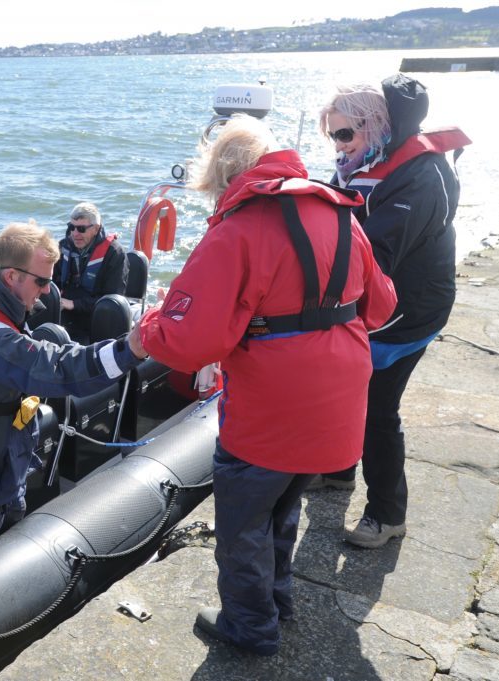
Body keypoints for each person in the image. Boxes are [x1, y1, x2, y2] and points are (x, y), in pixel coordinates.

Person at [133, 114, 397, 655]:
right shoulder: (341, 213)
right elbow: (383, 304)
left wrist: (150, 328)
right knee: (285, 504)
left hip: (273, 408)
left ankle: (250, 627)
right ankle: (277, 601)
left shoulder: (239, 229)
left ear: (228, 177)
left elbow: (189, 342)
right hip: (339, 400)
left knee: (242, 525)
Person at [0, 221, 147, 579]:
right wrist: (129, 351)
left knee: (5, 519)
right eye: (42, 282)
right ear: (12, 277)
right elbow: (58, 368)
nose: (48, 292)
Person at [308, 74, 471, 550]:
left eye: (344, 134)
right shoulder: (369, 163)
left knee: (377, 408)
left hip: (409, 313)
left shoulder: (420, 176)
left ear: (376, 127)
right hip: (381, 305)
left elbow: (376, 253)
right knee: (346, 394)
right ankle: (339, 472)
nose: (338, 145)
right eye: (332, 134)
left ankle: (387, 513)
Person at [52, 202, 128, 342]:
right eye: (71, 227)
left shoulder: (114, 253)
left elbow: (111, 301)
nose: (75, 234)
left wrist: (74, 304)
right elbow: (52, 284)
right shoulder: (62, 246)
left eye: (81, 229)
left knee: (107, 308)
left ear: (96, 228)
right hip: (65, 312)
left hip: (96, 316)